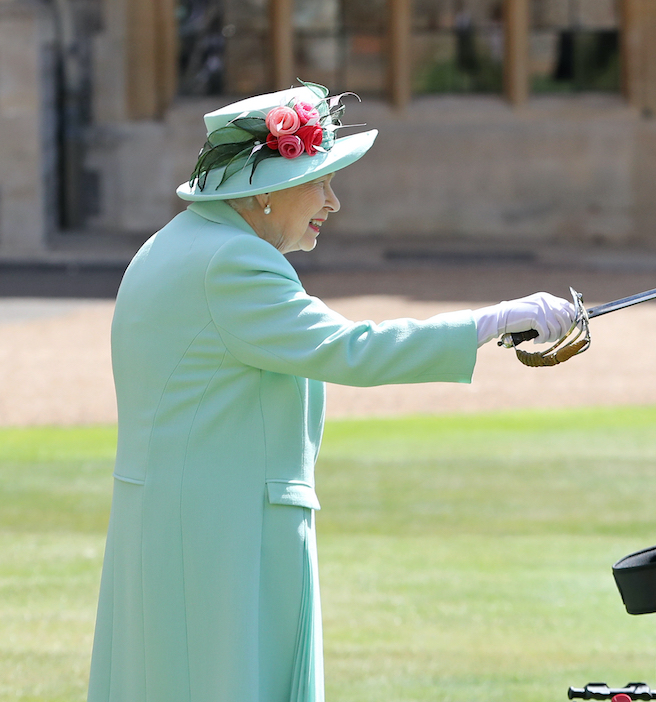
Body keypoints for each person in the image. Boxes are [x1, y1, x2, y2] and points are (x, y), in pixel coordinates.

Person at [86, 83, 577, 702]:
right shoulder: (233, 262)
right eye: (319, 179)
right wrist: (496, 320)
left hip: (183, 521)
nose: (332, 200)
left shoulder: (174, 243)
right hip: (222, 533)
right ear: (265, 188)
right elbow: (352, 349)